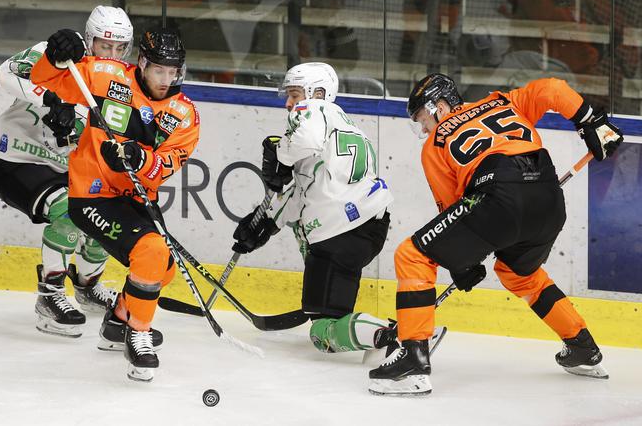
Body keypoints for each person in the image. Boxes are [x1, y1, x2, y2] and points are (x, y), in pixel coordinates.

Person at [368, 73, 624, 396]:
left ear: (440, 106)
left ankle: (413, 363)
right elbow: (553, 89)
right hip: (548, 198)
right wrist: (589, 120)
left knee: (412, 255)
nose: (423, 129)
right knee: (519, 273)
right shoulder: (502, 101)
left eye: (422, 119)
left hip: (497, 196)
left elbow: (453, 211)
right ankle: (582, 348)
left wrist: (462, 263)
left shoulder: (435, 144)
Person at [30, 27, 200, 382]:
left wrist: (139, 159)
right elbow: (45, 77)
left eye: (174, 72)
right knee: (153, 252)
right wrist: (55, 51)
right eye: (159, 71)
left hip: (136, 198)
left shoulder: (184, 114)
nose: (166, 80)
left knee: (163, 269)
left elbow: (165, 165)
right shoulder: (106, 75)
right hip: (92, 194)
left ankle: (117, 322)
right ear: (141, 63)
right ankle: (137, 334)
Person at [232, 62, 399, 354]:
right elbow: (307, 191)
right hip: (371, 227)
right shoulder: (348, 126)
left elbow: (303, 144)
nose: (289, 103)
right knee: (335, 319)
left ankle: (399, 337)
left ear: (317, 93)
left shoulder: (313, 110)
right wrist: (266, 224)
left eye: (295, 94)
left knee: (321, 332)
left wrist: (281, 156)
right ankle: (389, 331)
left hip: (338, 231)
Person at [0, 6, 134, 338]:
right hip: (17, 160)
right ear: (90, 38)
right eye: (104, 45)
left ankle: (87, 285)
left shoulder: (119, 86)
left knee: (108, 212)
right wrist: (53, 98)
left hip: (67, 170)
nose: (112, 54)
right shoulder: (58, 54)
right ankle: (50, 295)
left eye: (120, 48)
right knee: (67, 210)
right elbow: (4, 74)